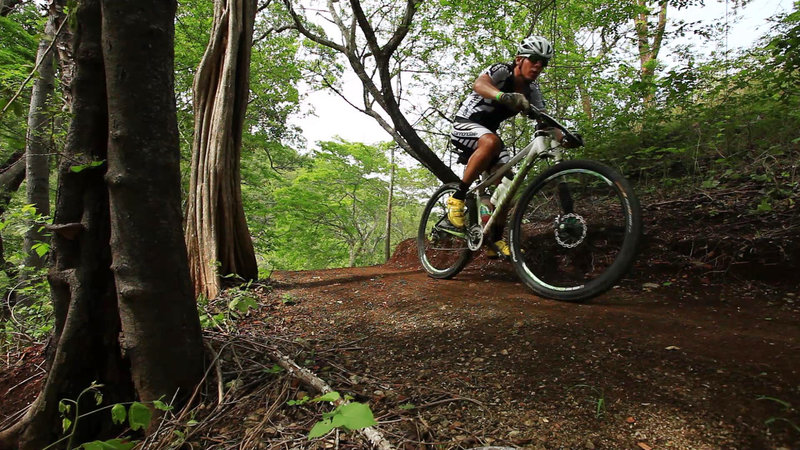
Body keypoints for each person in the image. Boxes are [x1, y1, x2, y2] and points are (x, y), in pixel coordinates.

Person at [447, 35, 555, 259]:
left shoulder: (532, 91)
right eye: (533, 59)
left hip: (489, 138)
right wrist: (503, 96)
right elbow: (479, 84)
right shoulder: (502, 71)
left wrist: (564, 136)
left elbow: (545, 119)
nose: (538, 66)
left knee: (508, 185)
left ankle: (492, 238)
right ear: (518, 59)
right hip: (465, 125)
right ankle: (457, 197)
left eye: (543, 62)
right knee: (491, 141)